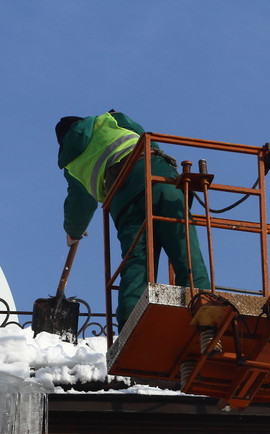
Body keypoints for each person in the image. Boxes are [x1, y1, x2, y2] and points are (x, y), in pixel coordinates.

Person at [55, 111, 211, 326]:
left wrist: (73, 233)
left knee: (137, 261)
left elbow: (80, 204)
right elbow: (147, 139)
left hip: (123, 202)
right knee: (181, 242)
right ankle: (200, 298)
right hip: (154, 175)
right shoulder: (109, 119)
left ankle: (130, 322)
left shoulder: (70, 164)